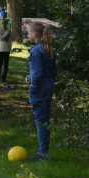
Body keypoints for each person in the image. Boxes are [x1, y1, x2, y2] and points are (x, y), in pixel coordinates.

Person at [27, 21, 57, 161]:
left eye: (28, 32)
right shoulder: (48, 48)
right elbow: (53, 71)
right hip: (48, 87)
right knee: (45, 119)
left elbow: (37, 74)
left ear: (34, 34)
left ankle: (42, 153)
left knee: (40, 120)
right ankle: (45, 150)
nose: (27, 34)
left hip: (39, 89)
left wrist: (33, 88)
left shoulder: (35, 50)